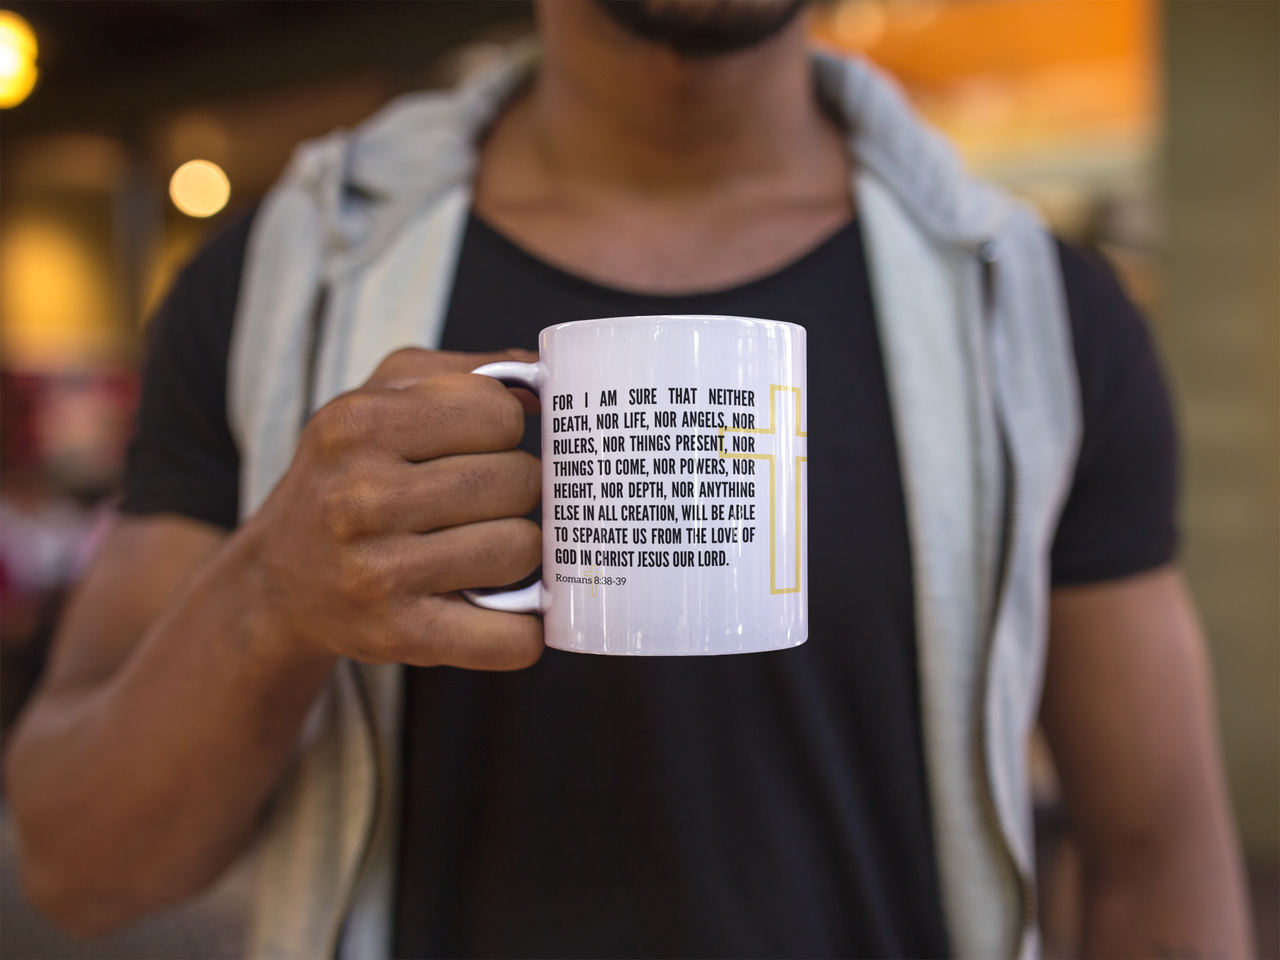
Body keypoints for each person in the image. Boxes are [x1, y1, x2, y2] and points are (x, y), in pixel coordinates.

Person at [3, 1, 1255, 958]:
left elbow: (1155, 855)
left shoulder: (1032, 312)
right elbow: (78, 868)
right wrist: (268, 596)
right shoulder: (281, 286)